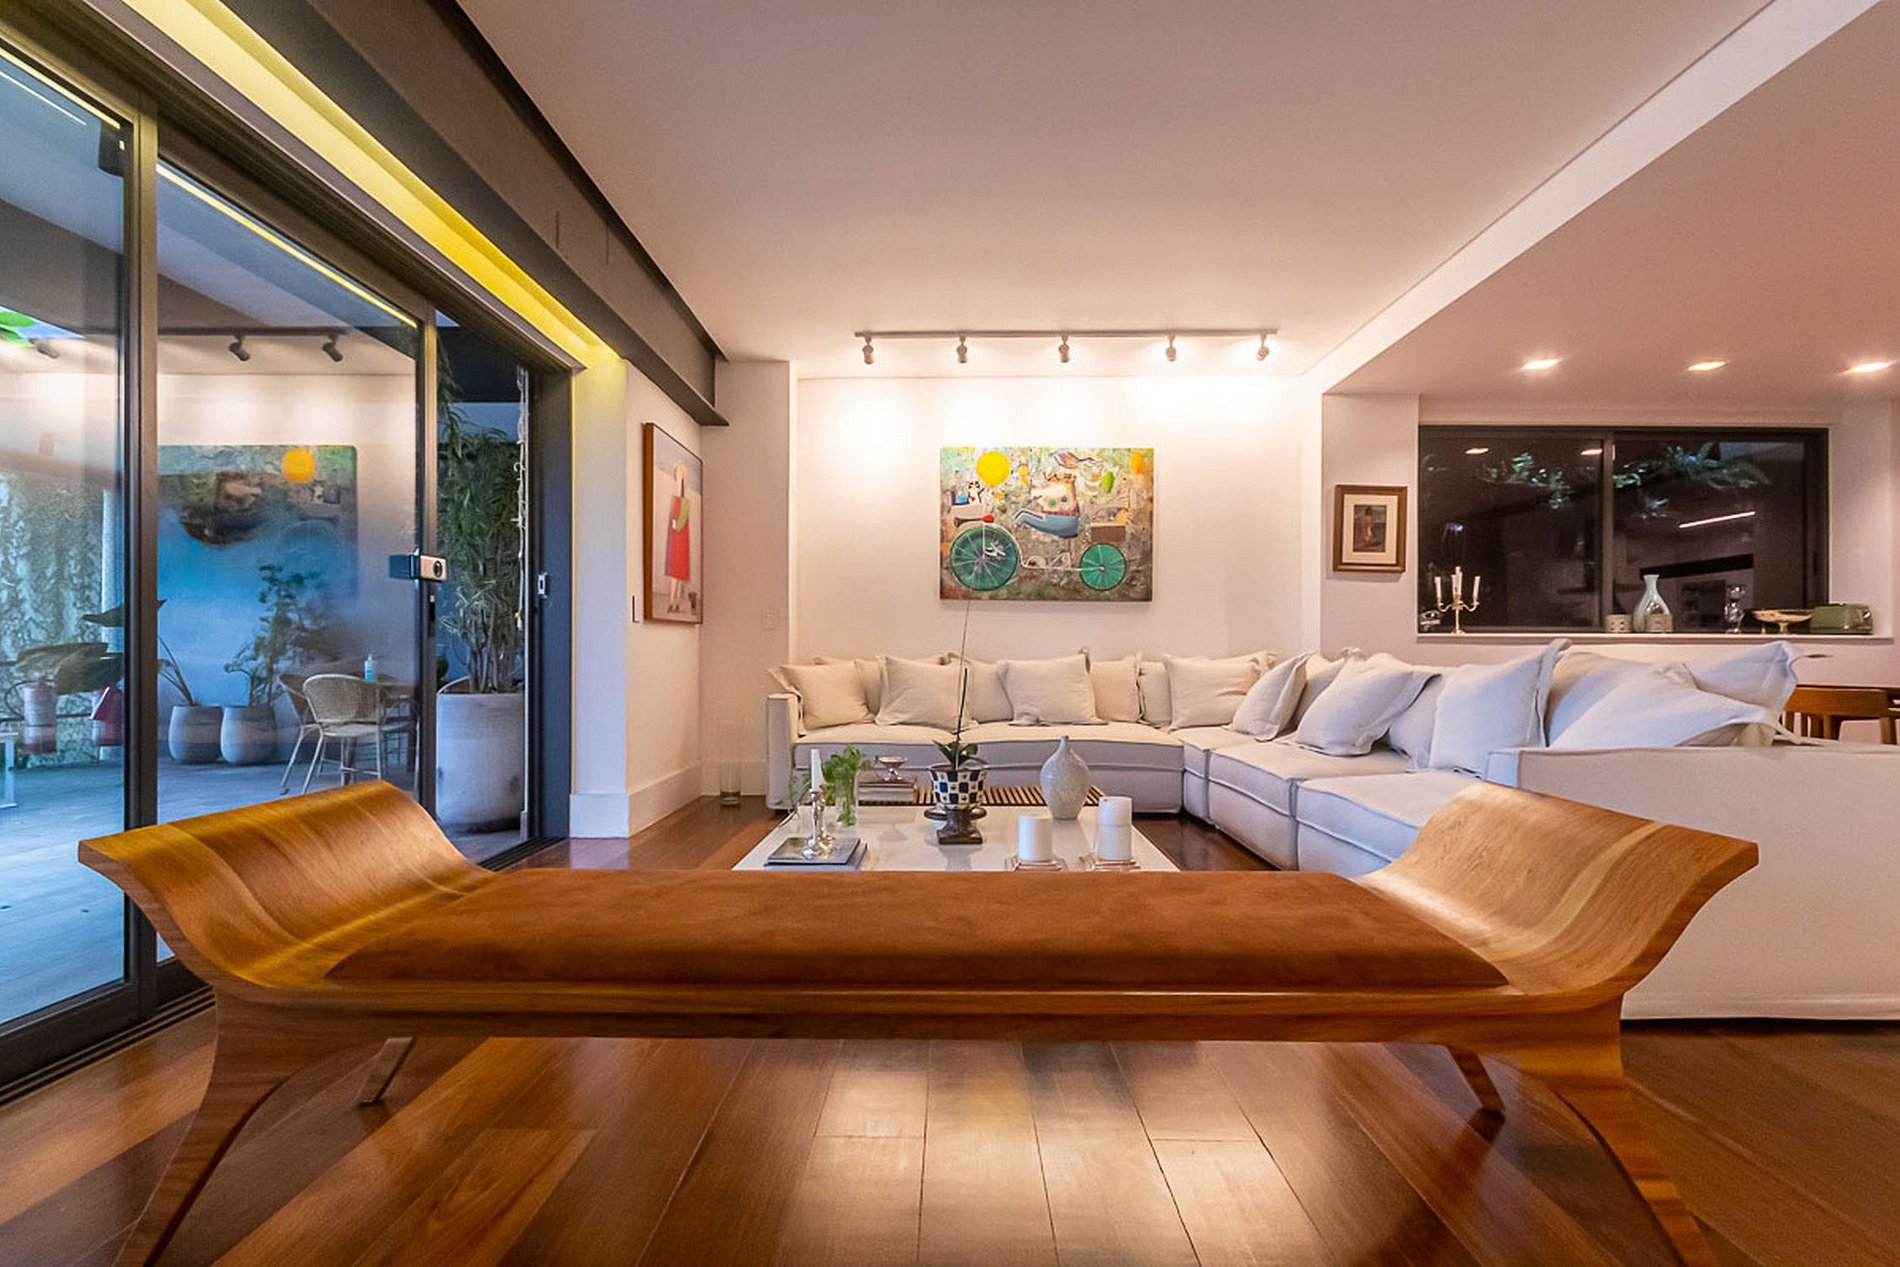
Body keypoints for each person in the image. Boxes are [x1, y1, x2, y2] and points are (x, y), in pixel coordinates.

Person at [664, 460, 692, 614]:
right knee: (676, 573)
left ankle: (675, 604)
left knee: (679, 574)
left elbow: (680, 499)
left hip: (680, 536)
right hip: (677, 537)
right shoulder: (678, 501)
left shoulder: (682, 503)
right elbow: (678, 498)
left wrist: (681, 480)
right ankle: (672, 603)